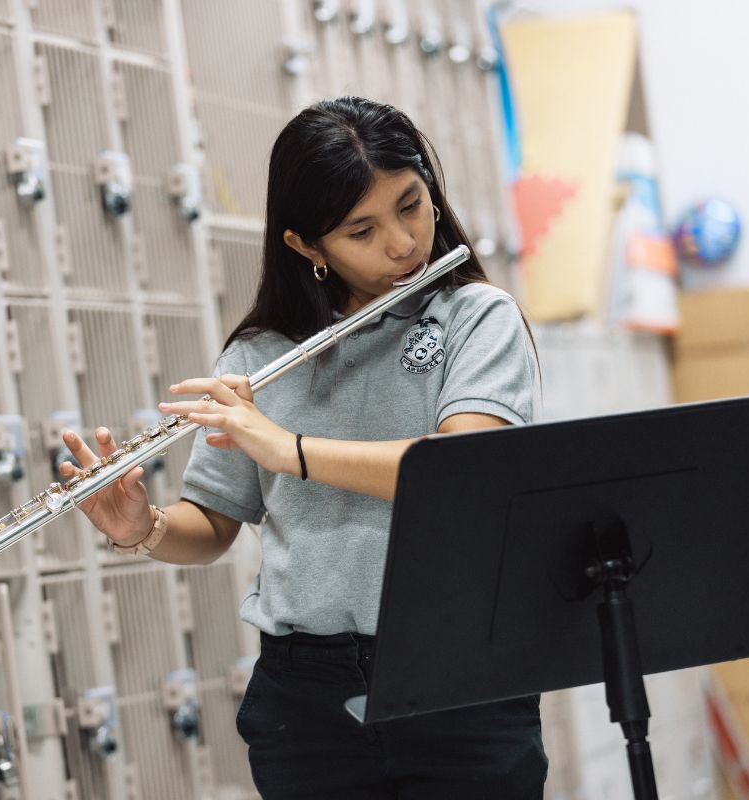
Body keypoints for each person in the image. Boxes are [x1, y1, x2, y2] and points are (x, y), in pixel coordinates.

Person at [59, 96, 546, 798]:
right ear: (307, 247)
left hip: (455, 672)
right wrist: (148, 528)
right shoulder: (258, 356)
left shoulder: (476, 316)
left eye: (413, 205)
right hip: (305, 695)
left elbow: (462, 469)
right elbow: (216, 522)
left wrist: (290, 449)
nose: (404, 242)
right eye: (362, 230)